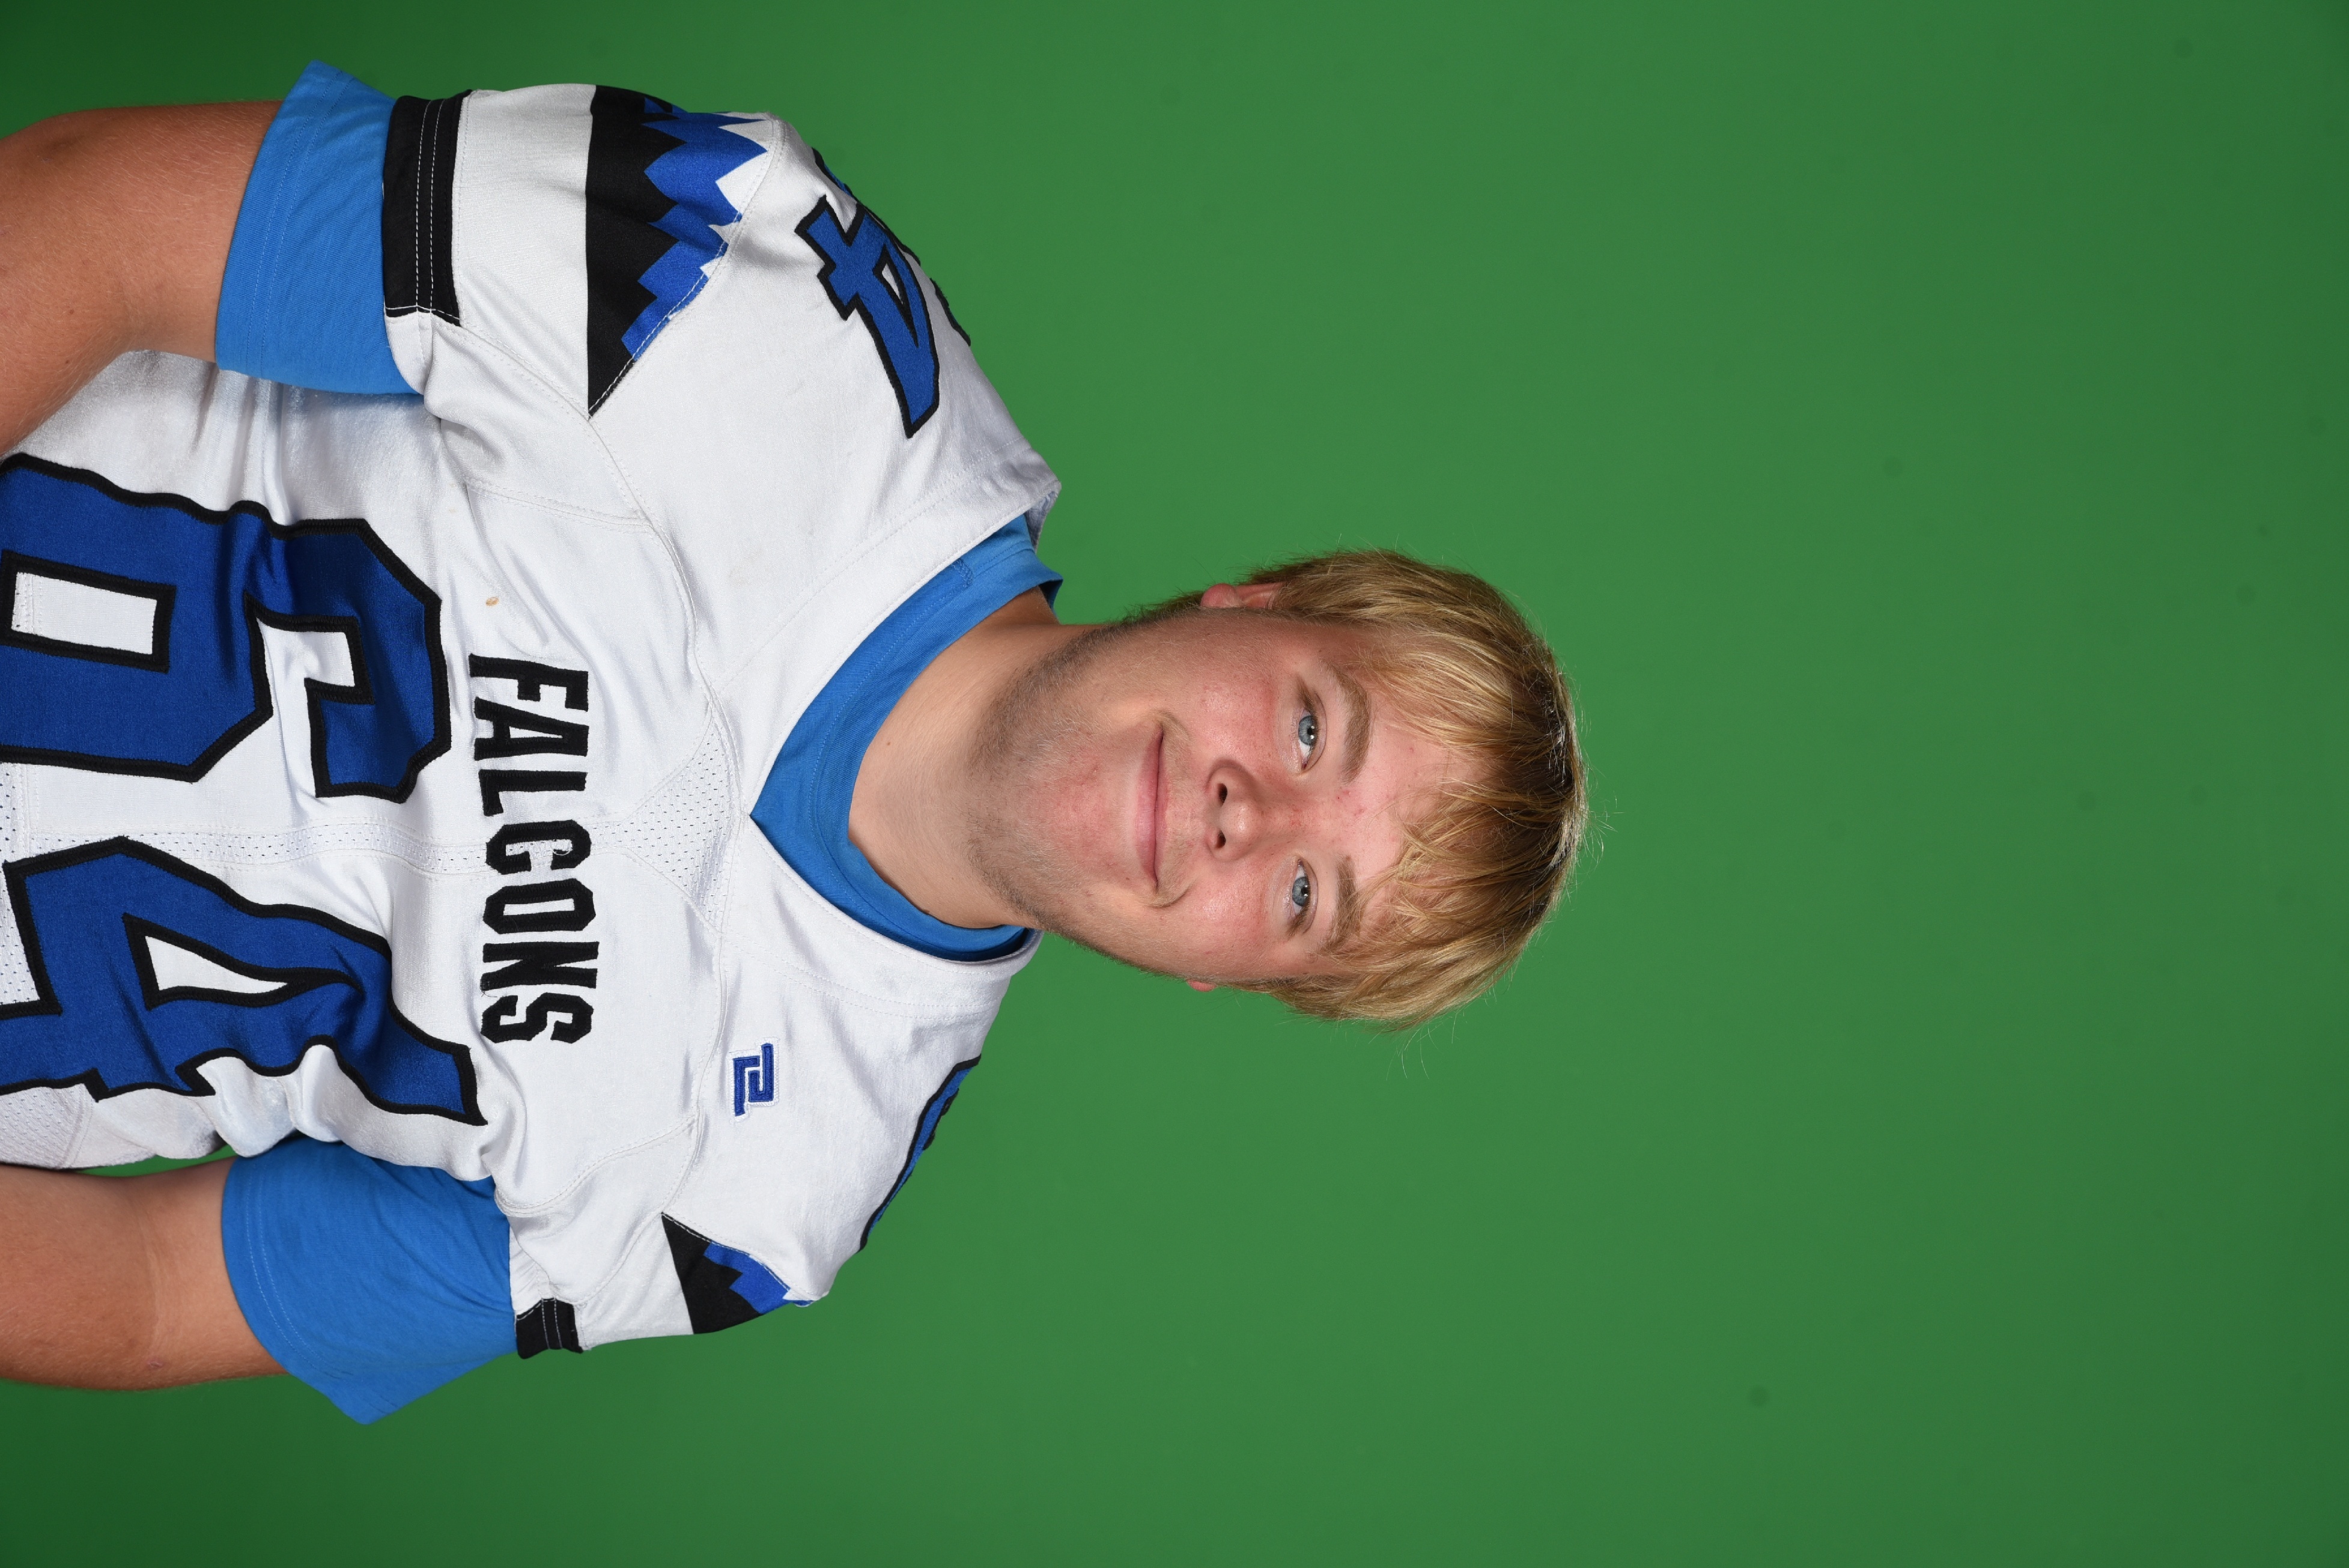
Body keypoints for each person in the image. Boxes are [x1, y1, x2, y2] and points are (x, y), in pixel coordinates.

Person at [0, 64, 1583, 1421]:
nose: (1253, 814)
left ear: (1226, 976)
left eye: (1307, 897)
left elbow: (151, 1293)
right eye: (1311, 725)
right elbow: (106, 219)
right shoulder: (757, 291)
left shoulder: (759, 1204)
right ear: (1257, 599)